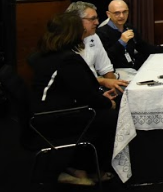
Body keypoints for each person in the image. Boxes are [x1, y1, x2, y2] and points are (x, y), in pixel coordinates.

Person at [29, 12, 119, 186]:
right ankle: (93, 168)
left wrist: (100, 99)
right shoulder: (67, 60)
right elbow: (86, 95)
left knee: (101, 111)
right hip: (53, 118)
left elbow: (78, 91)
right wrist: (107, 102)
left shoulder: (48, 53)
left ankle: (78, 167)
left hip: (45, 112)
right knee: (110, 117)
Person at [97, 0, 163, 71]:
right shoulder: (101, 32)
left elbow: (143, 47)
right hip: (118, 72)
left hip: (134, 68)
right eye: (117, 13)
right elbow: (105, 60)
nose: (121, 16)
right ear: (108, 14)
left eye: (124, 12)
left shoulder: (129, 27)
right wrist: (121, 42)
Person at [65, 1, 129, 90]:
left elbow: (105, 68)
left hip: (95, 88)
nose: (97, 22)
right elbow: (74, 79)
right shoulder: (63, 43)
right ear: (76, 21)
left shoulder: (93, 36)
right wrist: (103, 81)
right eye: (92, 19)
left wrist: (115, 87)